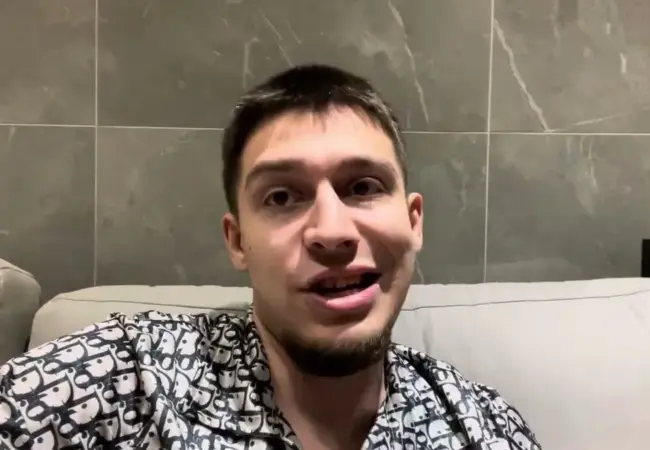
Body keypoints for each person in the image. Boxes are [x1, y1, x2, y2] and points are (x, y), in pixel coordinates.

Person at [0, 64, 541, 450]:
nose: (332, 232)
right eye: (282, 197)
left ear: (413, 221)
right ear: (238, 241)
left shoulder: (483, 429)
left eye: (363, 186)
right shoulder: (126, 377)